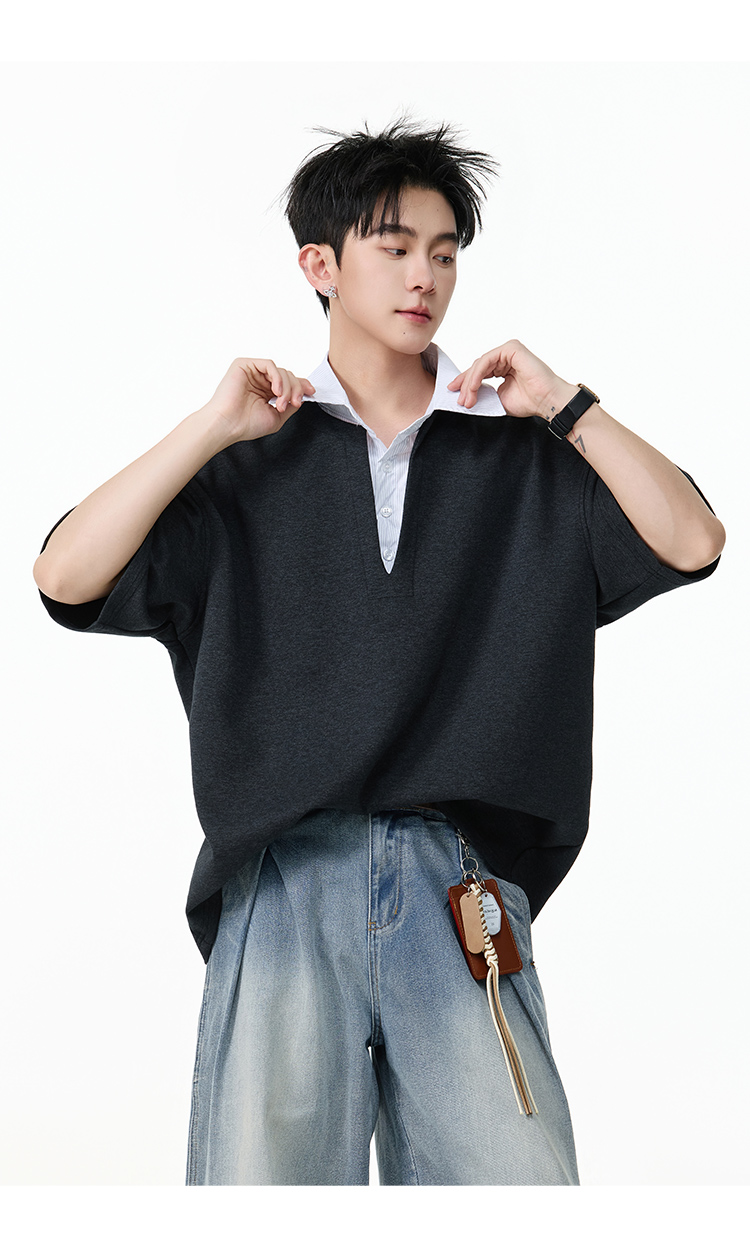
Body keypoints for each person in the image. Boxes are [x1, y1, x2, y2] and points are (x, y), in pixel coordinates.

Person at [33, 118, 725, 1186]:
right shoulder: (248, 464)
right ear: (320, 265)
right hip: (284, 879)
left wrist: (565, 406)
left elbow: (693, 540)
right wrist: (210, 427)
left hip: (461, 886)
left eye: (444, 252)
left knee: (516, 1192)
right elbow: (64, 575)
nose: (424, 277)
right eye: (395, 247)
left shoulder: (521, 459)